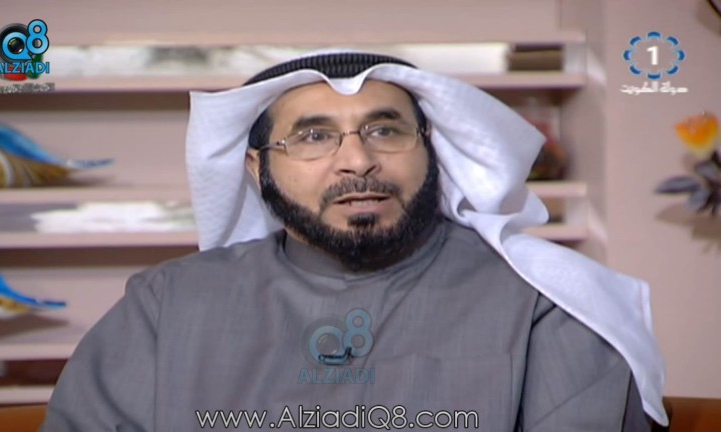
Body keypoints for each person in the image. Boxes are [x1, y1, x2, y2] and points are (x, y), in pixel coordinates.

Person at [41, 52, 668, 431]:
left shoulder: (543, 300)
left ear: (431, 152)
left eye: (385, 130)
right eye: (313, 137)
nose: (357, 161)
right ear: (258, 170)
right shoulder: (168, 304)